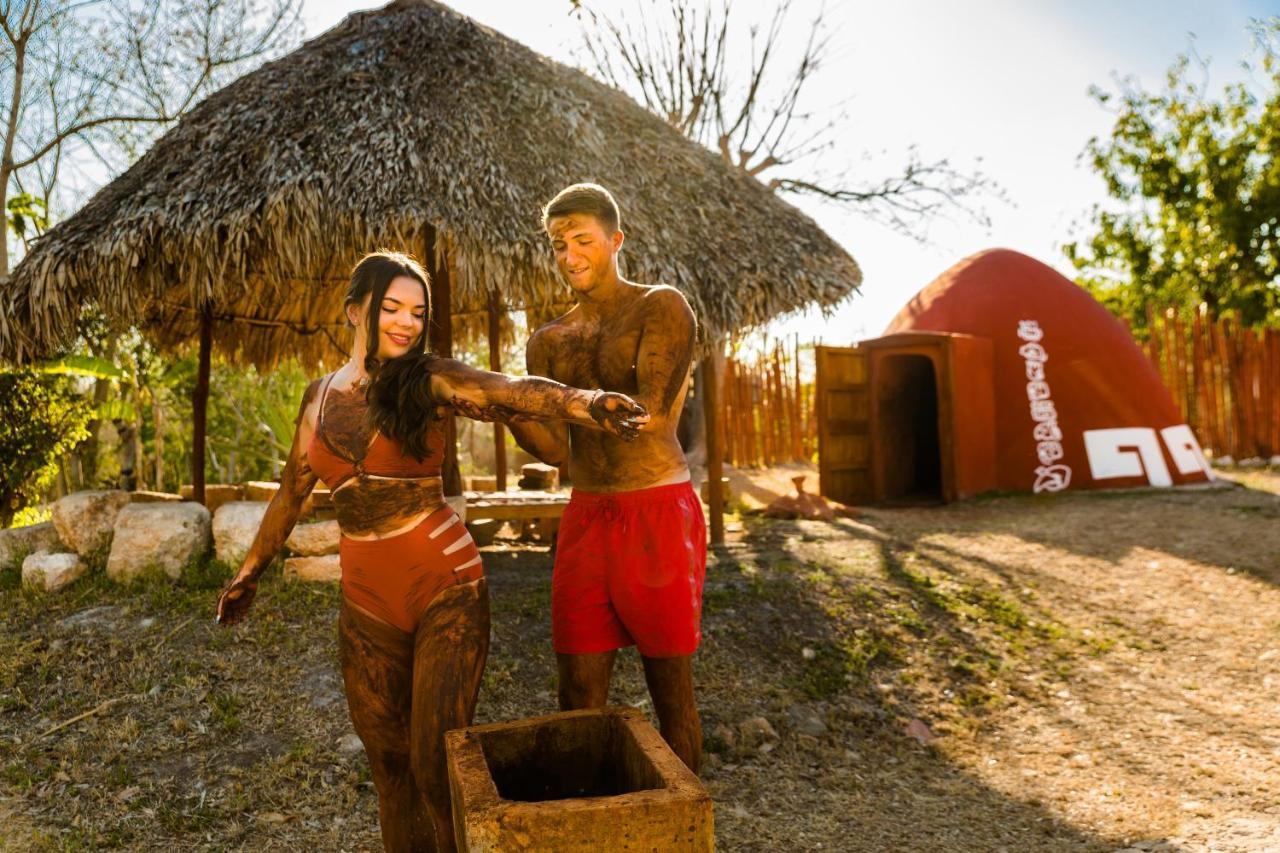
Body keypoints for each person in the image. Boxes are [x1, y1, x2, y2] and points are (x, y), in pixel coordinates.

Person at [214, 250, 645, 853]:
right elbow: (292, 491)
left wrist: (587, 403)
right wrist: (248, 572)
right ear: (354, 311)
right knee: (389, 766)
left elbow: (511, 392)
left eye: (418, 313)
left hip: (446, 587)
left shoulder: (430, 378)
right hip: (365, 600)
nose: (406, 323)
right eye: (391, 308)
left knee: (435, 763)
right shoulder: (317, 398)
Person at [504, 183, 706, 773]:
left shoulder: (661, 306)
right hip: (587, 515)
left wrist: (576, 402)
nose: (570, 256)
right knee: (577, 694)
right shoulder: (546, 342)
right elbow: (557, 453)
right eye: (559, 244)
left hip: (657, 510)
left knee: (672, 696)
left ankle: (683, 829)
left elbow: (648, 416)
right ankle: (589, 823)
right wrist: (512, 412)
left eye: (583, 241)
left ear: (615, 240)